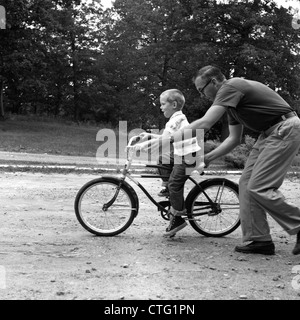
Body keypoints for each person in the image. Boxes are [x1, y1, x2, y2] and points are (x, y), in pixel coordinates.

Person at [145, 65, 300, 255]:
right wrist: (208, 158)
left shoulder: (231, 86)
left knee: (259, 186)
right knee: (245, 184)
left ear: (215, 82)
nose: (202, 95)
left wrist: (169, 138)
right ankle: (259, 240)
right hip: (268, 134)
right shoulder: (232, 106)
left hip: (285, 127)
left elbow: (205, 123)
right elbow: (234, 139)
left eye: (202, 90)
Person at [136, 89, 201, 236]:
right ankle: (168, 189)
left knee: (174, 184)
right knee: (163, 159)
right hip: (182, 155)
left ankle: (178, 217)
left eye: (163, 104)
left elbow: (164, 140)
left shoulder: (175, 120)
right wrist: (149, 136)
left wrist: (142, 146)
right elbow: (164, 137)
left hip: (187, 157)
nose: (161, 107)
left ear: (174, 104)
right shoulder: (176, 119)